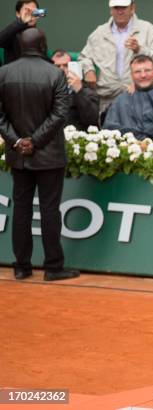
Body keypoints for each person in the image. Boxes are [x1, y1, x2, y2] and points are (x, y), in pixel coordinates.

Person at [0, 28, 79, 282]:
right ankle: (53, 267)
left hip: (19, 155)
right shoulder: (55, 74)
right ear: (43, 45)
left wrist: (18, 141)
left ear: (21, 47)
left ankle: (21, 267)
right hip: (49, 154)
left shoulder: (3, 73)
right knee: (49, 210)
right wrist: (34, 141)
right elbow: (60, 115)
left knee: (21, 209)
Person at [78, 0, 153, 114]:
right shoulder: (99, 33)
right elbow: (83, 57)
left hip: (139, 98)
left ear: (132, 8)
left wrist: (139, 49)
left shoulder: (148, 30)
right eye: (116, 7)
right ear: (110, 10)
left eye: (123, 7)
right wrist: (89, 70)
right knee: (106, 131)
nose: (120, 11)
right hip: (106, 100)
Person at [103, 55, 153, 142]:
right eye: (137, 72)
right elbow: (110, 130)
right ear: (131, 75)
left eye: (147, 70)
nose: (143, 75)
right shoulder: (121, 101)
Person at [51, 50, 100, 130]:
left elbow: (92, 121)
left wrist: (79, 91)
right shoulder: (46, 90)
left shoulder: (87, 91)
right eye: (57, 66)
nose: (62, 70)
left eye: (66, 65)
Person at [0, 1, 39, 66]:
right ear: (18, 14)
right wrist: (21, 22)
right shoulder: (12, 33)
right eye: (27, 11)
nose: (31, 14)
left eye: (34, 11)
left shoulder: (39, 35)